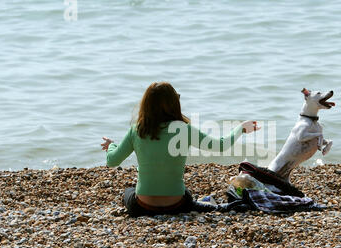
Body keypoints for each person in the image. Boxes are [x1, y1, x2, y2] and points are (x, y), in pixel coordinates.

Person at [101, 82, 260, 217]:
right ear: (174, 104)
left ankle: (207, 206)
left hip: (143, 206)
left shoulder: (137, 130)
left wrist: (111, 146)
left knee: (128, 191)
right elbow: (219, 145)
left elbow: (112, 161)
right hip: (177, 204)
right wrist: (240, 129)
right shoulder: (184, 129)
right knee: (189, 198)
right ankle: (211, 206)